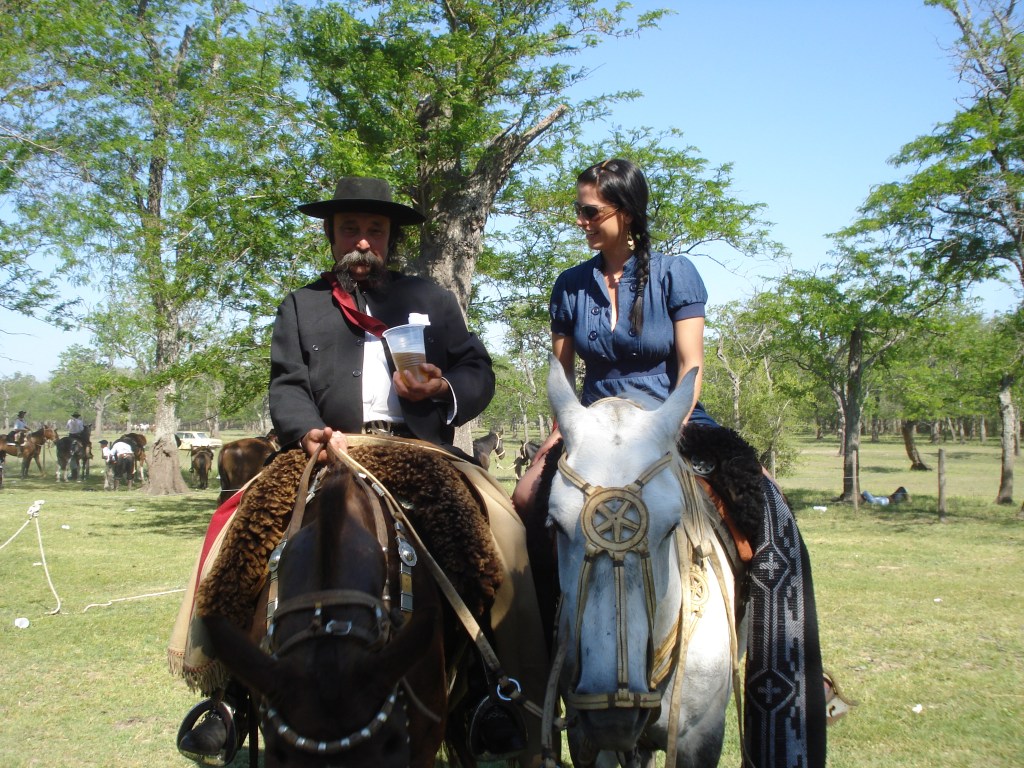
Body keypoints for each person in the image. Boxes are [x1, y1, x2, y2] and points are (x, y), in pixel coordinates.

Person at [171, 177, 546, 765]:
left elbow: (478, 369)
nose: (363, 242)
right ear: (331, 235)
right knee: (239, 533)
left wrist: (445, 386)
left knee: (499, 536)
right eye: (351, 229)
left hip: (417, 451)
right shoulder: (302, 304)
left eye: (375, 230)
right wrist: (307, 432)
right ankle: (232, 693)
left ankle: (484, 689)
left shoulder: (432, 297)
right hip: (325, 448)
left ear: (390, 238)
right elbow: (287, 384)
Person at [513, 158, 830, 768]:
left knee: (766, 506)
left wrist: (667, 429)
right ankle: (539, 671)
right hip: (597, 429)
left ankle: (780, 660)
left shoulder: (675, 274)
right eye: (579, 211)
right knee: (528, 502)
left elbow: (690, 366)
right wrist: (562, 437)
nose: (580, 221)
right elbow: (565, 376)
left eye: (590, 211)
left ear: (625, 213)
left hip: (672, 420)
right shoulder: (568, 284)